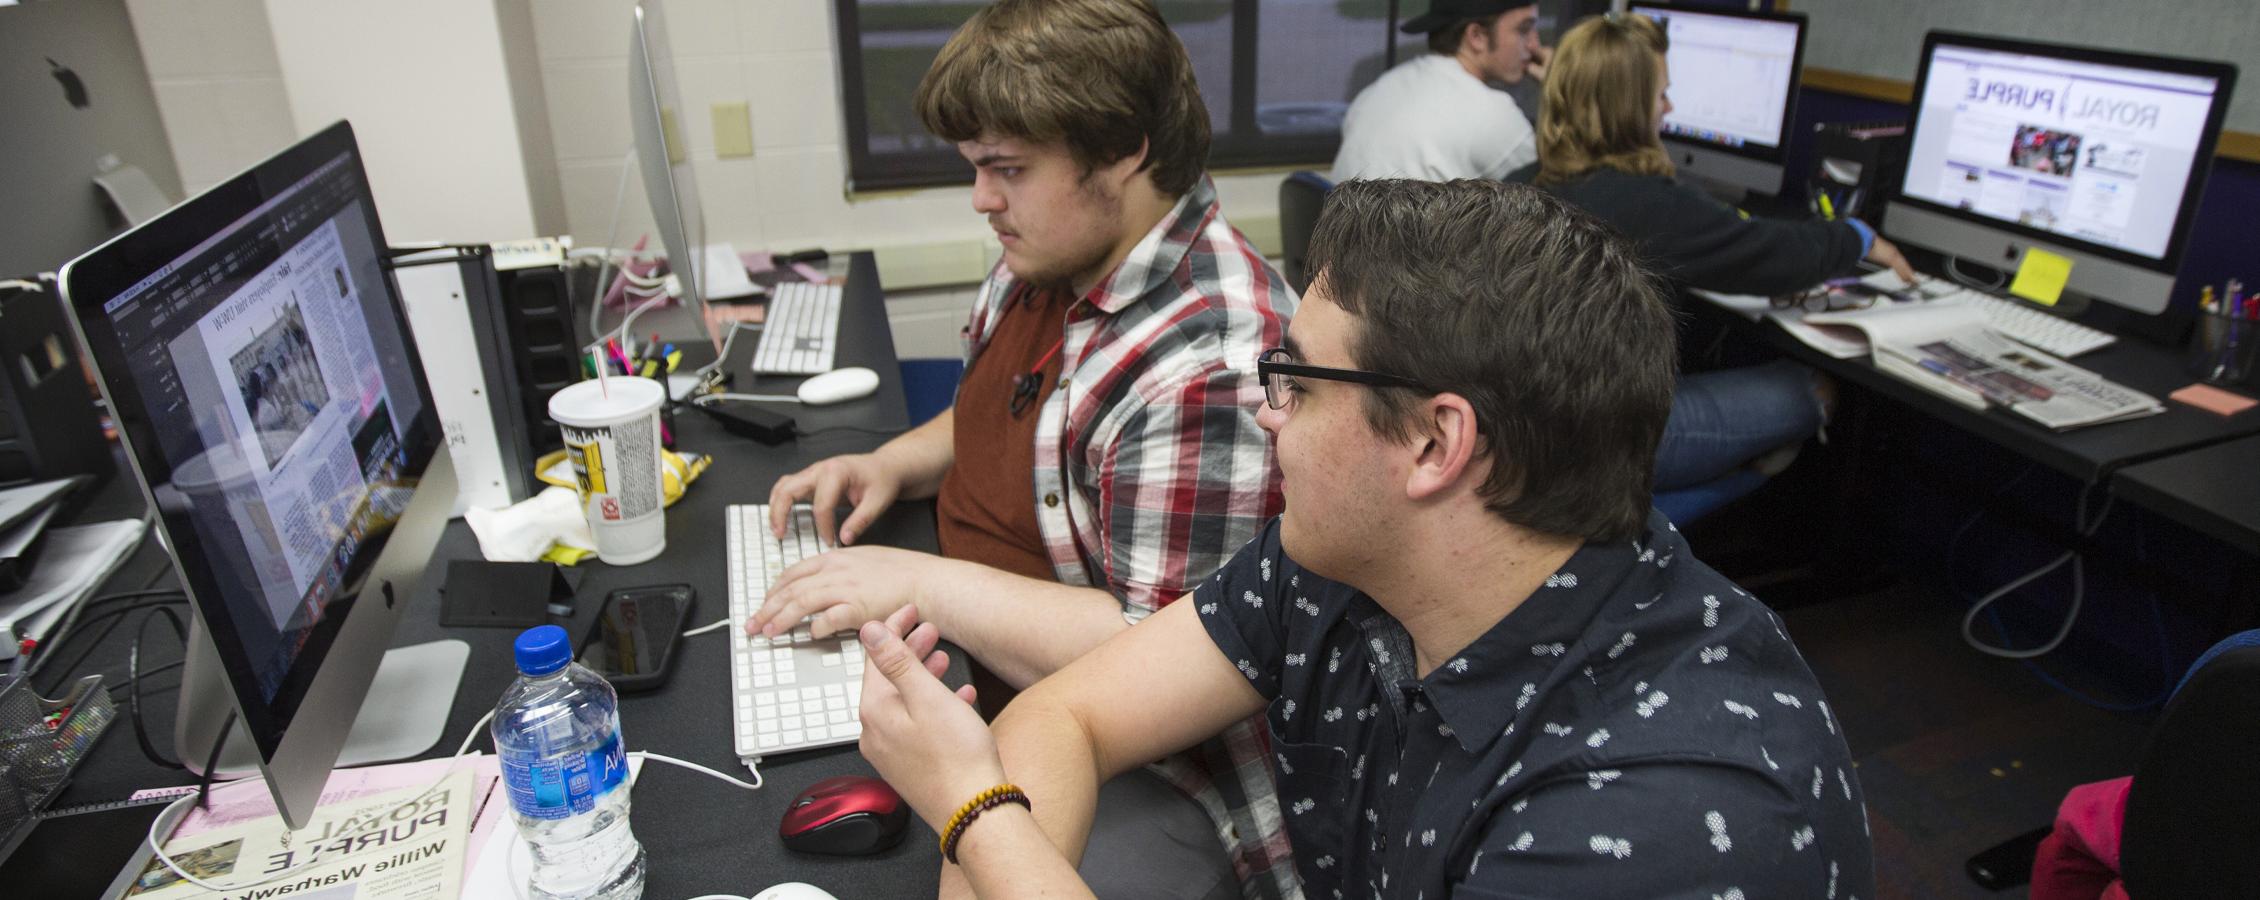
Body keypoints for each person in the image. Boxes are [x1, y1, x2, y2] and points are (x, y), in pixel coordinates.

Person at [854, 179, 1876, 899]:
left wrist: (978, 812)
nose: (1265, 409)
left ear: (1434, 442)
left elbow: (1014, 775)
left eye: (1294, 380)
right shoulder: (1345, 556)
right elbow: (1069, 712)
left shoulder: (1660, 819)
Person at [744, 1, 1298, 897]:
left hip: (1152, 774)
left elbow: (1168, 653)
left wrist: (921, 583)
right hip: (988, 668)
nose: (981, 199)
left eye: (1007, 169)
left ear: (1125, 150)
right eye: (976, 168)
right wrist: (897, 462)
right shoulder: (1053, 249)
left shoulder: (1210, 364)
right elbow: (1010, 408)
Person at [1533, 12, 1919, 497]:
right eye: (1659, 95)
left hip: (1523, 432)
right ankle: (1673, 520)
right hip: (1597, 443)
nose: (1668, 107)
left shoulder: (1524, 182)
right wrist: (1858, 237)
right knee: (1815, 390)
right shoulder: (1652, 204)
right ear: (1630, 110)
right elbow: (1774, 258)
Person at [1330, 0, 1546, 183]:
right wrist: (1561, 84)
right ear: (1477, 36)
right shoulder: (1492, 113)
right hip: (1409, 233)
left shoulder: (1381, 87)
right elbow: (1552, 199)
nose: (1535, 45)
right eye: (1524, 30)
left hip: (1342, 231)